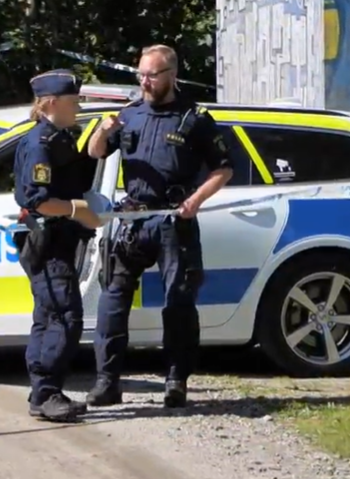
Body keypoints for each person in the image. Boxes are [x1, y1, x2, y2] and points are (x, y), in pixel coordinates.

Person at [84, 44, 234, 409]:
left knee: (179, 303)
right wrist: (104, 131)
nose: (144, 82)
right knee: (113, 301)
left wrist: (194, 202)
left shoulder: (195, 119)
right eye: (140, 75)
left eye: (151, 75)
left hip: (173, 220)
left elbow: (223, 169)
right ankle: (107, 381)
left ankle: (176, 381)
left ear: (171, 76)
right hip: (133, 220)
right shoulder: (130, 114)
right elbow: (93, 152)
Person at [14, 69, 105, 422]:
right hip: (47, 241)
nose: (78, 106)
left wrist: (102, 137)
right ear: (51, 102)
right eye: (73, 100)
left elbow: (76, 176)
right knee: (64, 317)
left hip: (62, 240)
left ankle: (42, 392)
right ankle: (47, 393)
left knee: (49, 315)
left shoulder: (63, 138)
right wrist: (74, 211)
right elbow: (37, 200)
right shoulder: (40, 143)